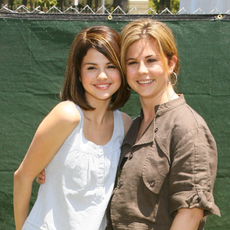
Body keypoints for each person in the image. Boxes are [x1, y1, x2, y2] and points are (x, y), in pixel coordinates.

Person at [105, 19, 220, 230]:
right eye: (132, 62)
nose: (141, 71)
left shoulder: (188, 128)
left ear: (171, 63)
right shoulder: (132, 126)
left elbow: (190, 215)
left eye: (151, 60)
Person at [13, 25, 132, 230]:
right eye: (91, 67)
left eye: (111, 66)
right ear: (78, 74)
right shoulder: (67, 115)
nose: (102, 76)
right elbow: (22, 177)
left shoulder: (125, 124)